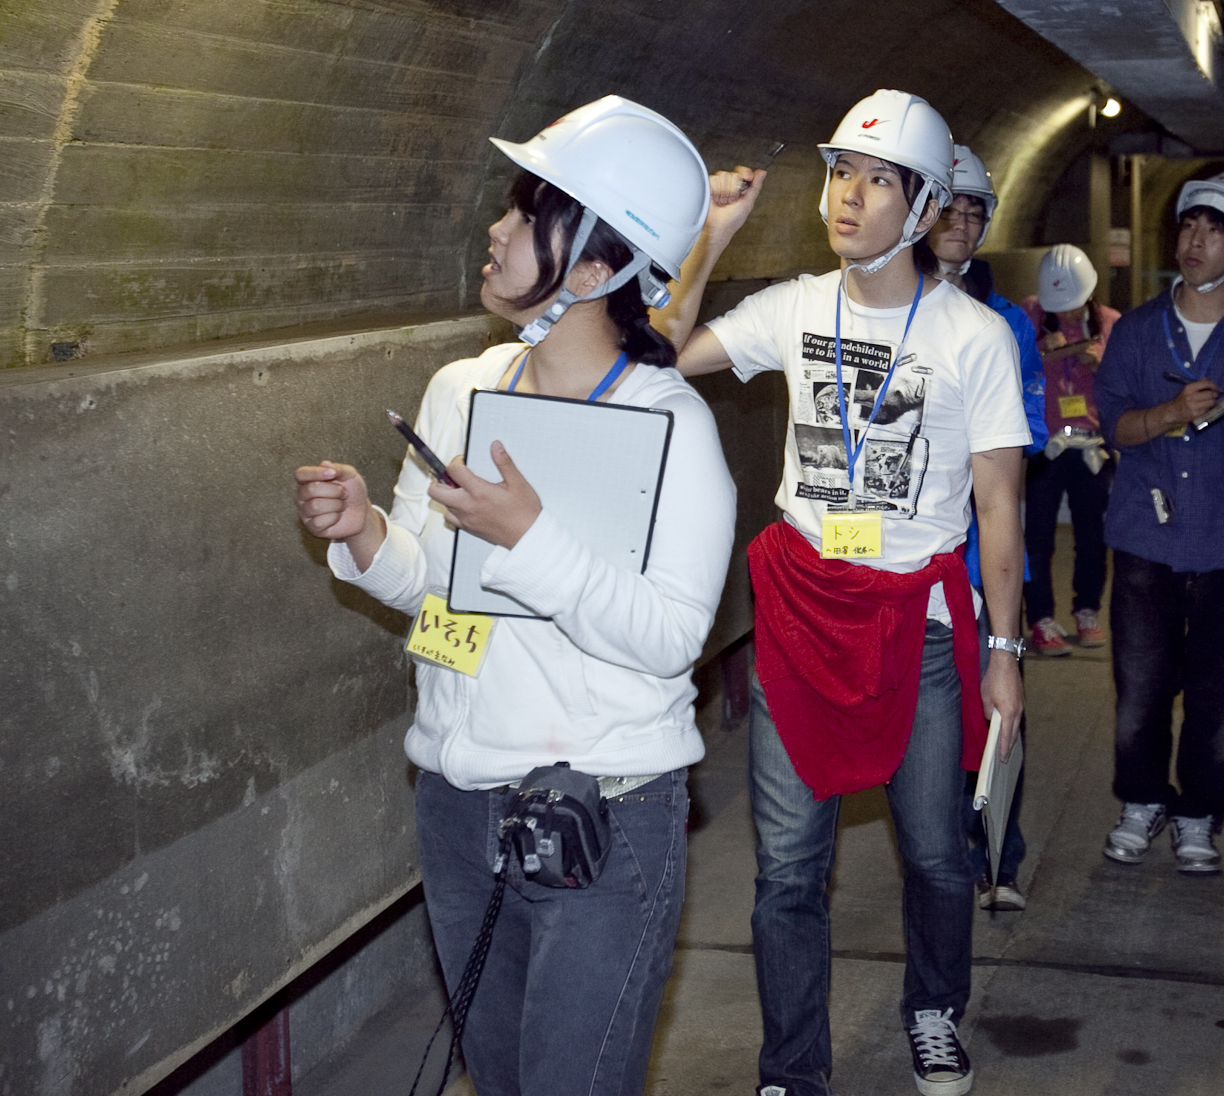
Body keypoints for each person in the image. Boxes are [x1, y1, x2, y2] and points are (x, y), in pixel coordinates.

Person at [292, 96, 736, 1096]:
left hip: (604, 814)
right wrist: (365, 529)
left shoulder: (670, 426)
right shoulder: (463, 387)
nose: (496, 228)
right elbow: (430, 583)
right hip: (458, 805)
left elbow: (669, 637)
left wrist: (529, 537)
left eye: (530, 210)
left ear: (592, 268)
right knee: (499, 1077)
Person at [657, 90, 1030, 1096]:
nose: (849, 196)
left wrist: (1006, 650)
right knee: (787, 872)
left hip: (920, 623)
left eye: (876, 180)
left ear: (921, 210)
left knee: (938, 854)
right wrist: (709, 235)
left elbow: (1000, 506)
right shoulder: (790, 307)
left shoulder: (974, 338)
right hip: (801, 620)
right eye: (841, 175)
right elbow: (660, 356)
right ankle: (791, 1068)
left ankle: (933, 1008)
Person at [1092, 172, 1224, 873]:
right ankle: (1142, 799)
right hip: (1146, 537)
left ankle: (1198, 813)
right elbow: (1115, 427)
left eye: (1215, 231)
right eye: (1188, 226)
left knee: (1217, 692)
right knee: (1140, 685)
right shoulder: (1136, 331)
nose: (1195, 241)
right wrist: (1171, 414)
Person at [926, 144, 1043, 913]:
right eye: (953, 208)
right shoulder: (886, 309)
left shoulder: (1004, 325)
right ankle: (939, 847)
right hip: (912, 557)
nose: (964, 224)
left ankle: (998, 846)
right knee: (931, 717)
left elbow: (1017, 444)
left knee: (999, 699)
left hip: (982, 552)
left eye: (977, 212)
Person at [1019, 243, 1122, 655]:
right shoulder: (1030, 314)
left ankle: (1087, 609)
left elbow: (1126, 385)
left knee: (1093, 535)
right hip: (1045, 443)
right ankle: (1041, 618)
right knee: (1038, 536)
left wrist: (1103, 366)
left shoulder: (1109, 323)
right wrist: (1040, 353)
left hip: (1091, 446)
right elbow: (1008, 363)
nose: (1064, 311)